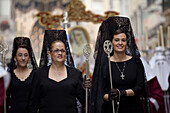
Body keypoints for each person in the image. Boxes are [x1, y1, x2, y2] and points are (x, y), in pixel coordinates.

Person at [90, 16, 150, 113]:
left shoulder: (136, 62)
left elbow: (140, 87)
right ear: (111, 42)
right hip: (111, 109)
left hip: (133, 109)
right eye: (117, 40)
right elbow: (100, 92)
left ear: (127, 42)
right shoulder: (105, 65)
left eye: (123, 40)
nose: (120, 43)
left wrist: (122, 93)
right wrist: (109, 97)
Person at [28, 30, 91, 113]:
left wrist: (86, 89)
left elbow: (85, 101)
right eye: (56, 50)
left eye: (63, 50)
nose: (60, 53)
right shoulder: (39, 74)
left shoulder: (75, 74)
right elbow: (33, 104)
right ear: (49, 53)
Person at [6, 37, 38, 113]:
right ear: (15, 58)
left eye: (26, 55)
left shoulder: (36, 75)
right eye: (20, 55)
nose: (23, 58)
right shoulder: (9, 75)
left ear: (29, 58)